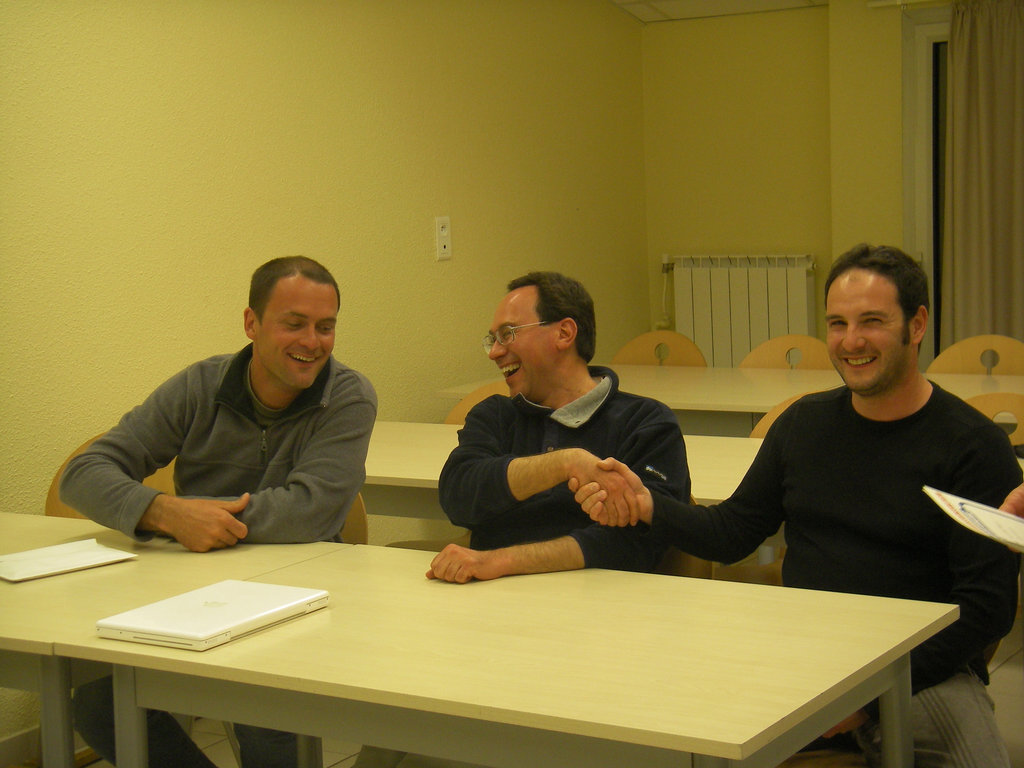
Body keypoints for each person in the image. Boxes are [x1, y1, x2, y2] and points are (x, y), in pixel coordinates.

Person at [573, 244, 1021, 768]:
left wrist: (869, 700)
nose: (851, 341)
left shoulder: (974, 446)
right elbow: (733, 531)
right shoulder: (804, 424)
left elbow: (985, 609)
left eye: (872, 321)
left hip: (922, 669)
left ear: (916, 325)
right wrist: (648, 505)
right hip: (807, 659)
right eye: (837, 324)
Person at [60, 256, 377, 768]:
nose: (312, 342)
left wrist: (201, 520)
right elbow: (83, 473)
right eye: (294, 324)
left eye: (326, 327)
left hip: (297, 591)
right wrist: (165, 513)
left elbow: (312, 512)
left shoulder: (348, 395)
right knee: (100, 705)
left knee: (267, 718)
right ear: (252, 323)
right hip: (193, 588)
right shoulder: (200, 385)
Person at [426, 270, 691, 584]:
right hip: (491, 598)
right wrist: (565, 463)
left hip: (605, 602)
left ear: (564, 333)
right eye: (492, 340)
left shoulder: (646, 422)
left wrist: (502, 561)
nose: (495, 352)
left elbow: (640, 541)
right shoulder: (495, 414)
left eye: (508, 334)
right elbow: (458, 497)